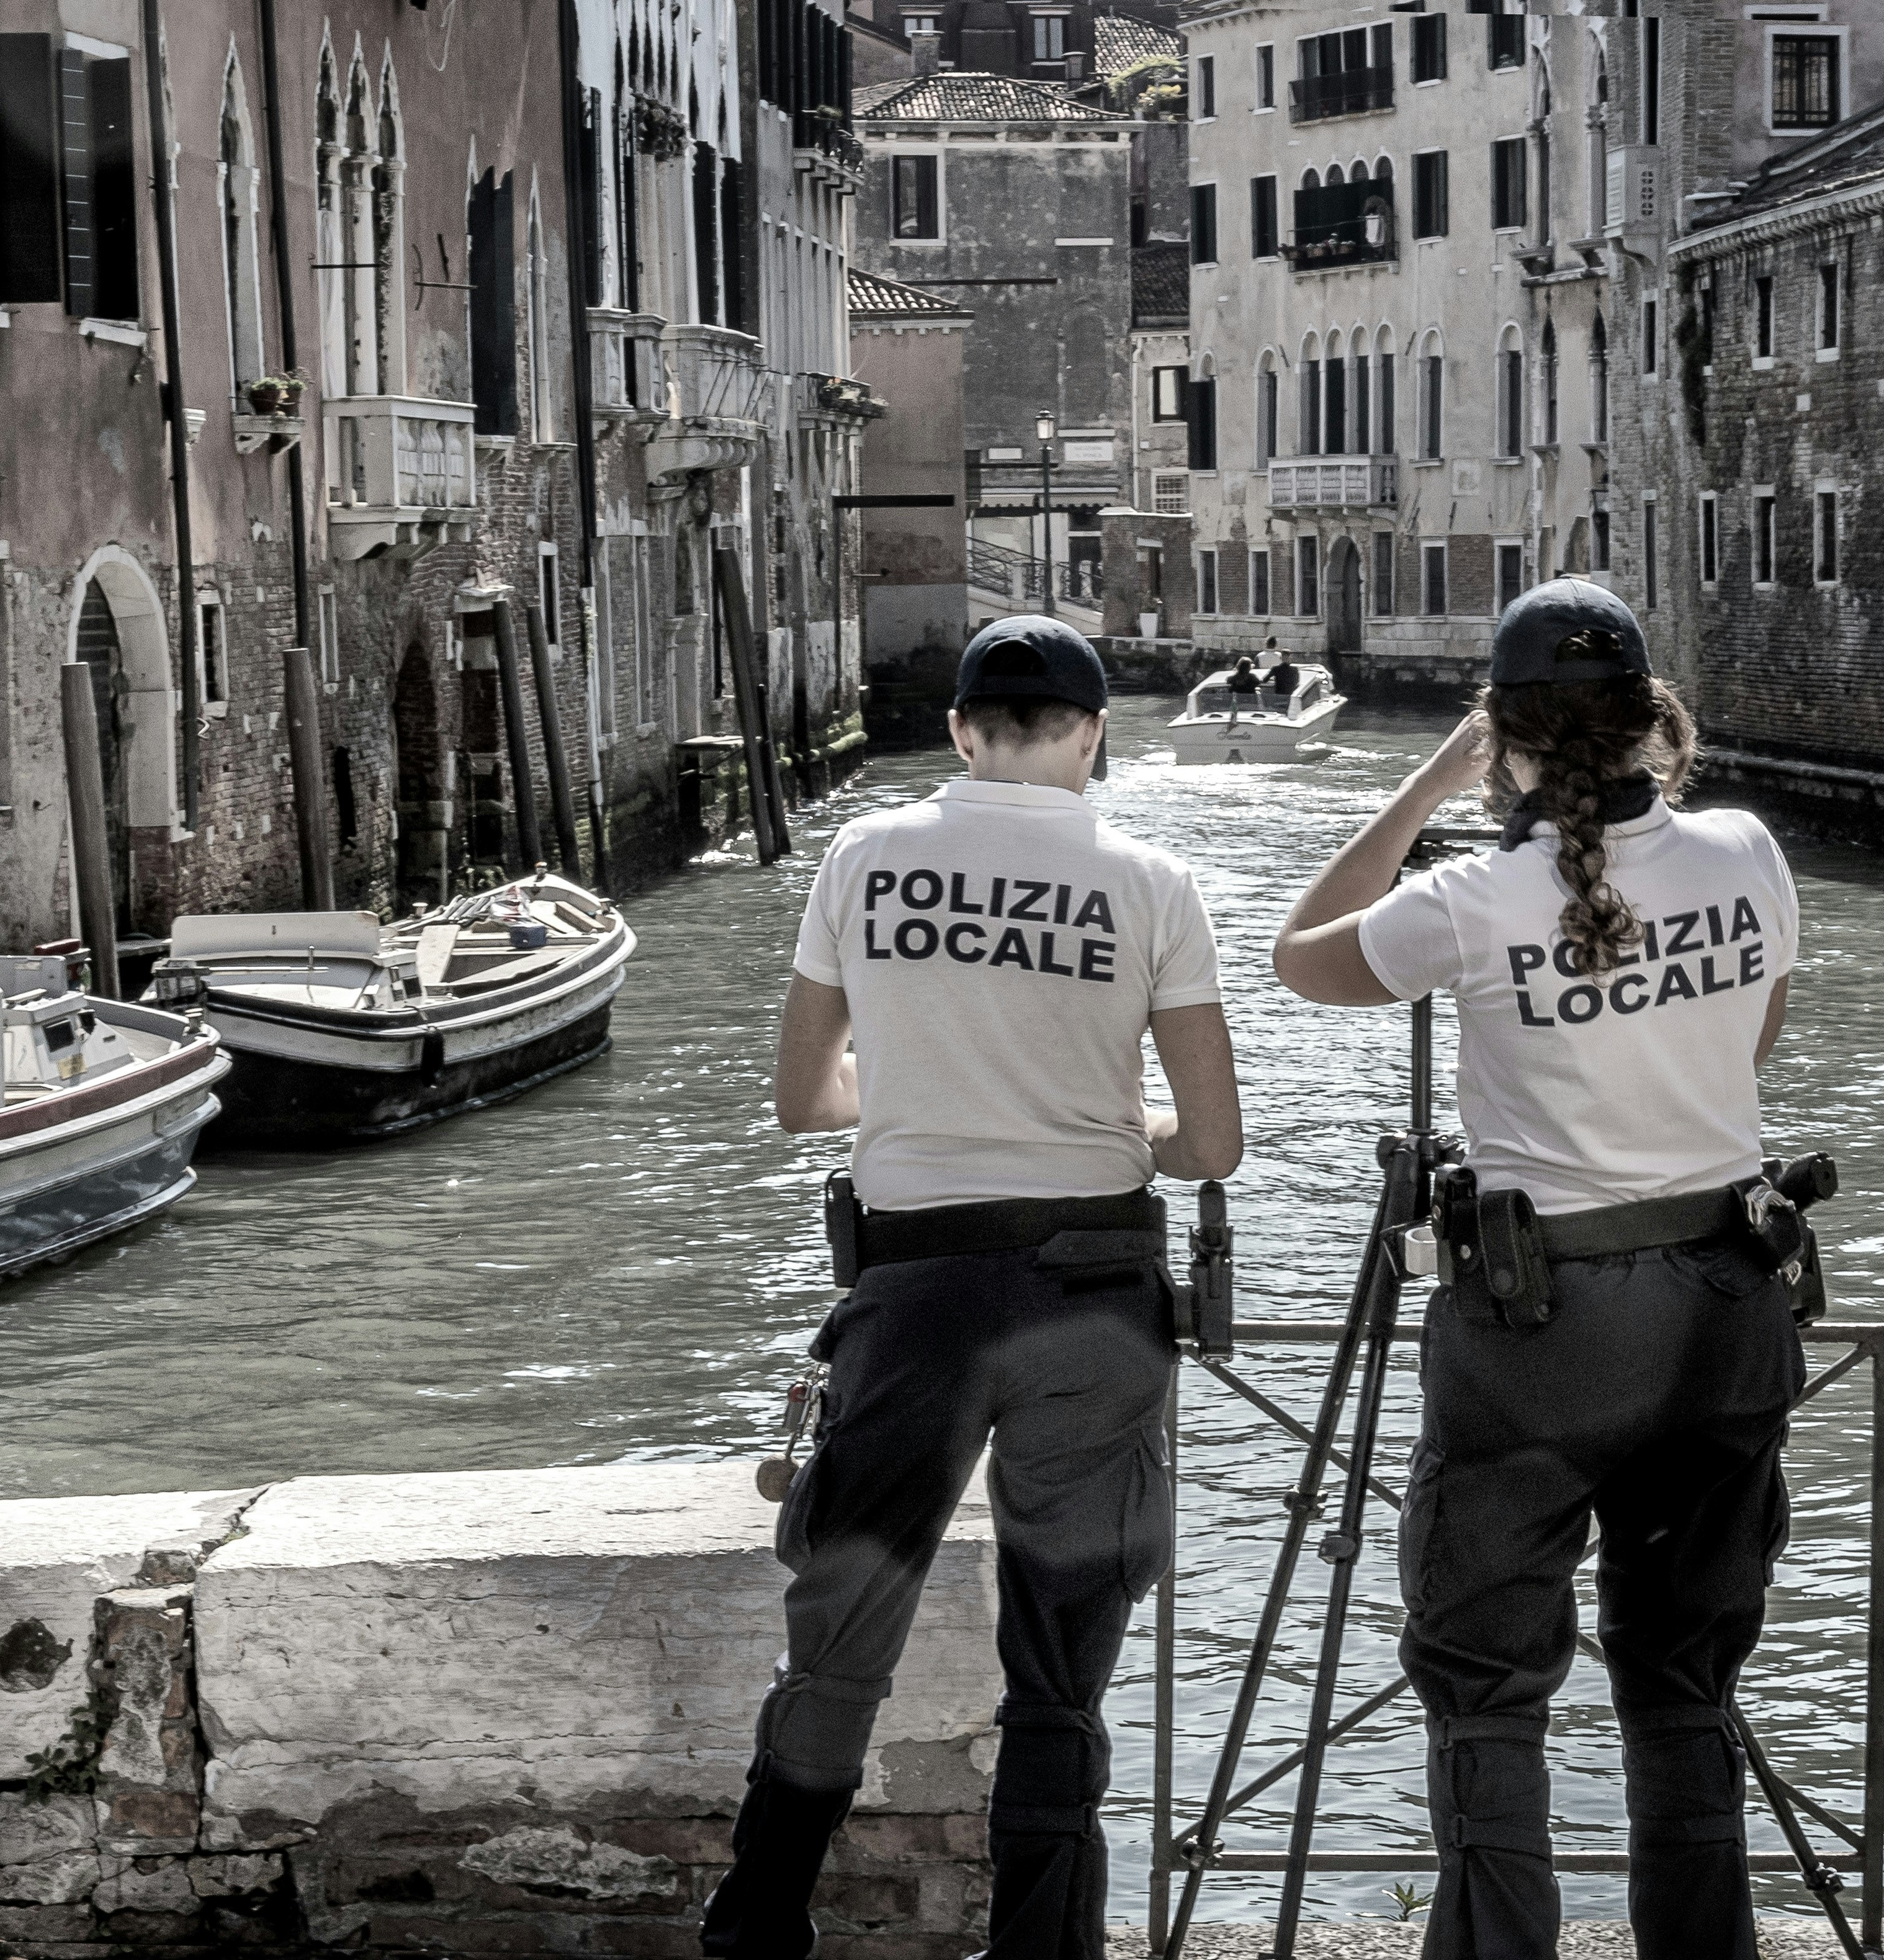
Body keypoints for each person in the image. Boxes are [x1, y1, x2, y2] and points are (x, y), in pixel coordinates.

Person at [1268, 577, 1804, 1960]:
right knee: (1682, 1678)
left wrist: (1425, 780)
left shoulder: (1469, 897)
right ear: (1655, 725)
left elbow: (1297, 955)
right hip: (1725, 1302)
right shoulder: (1747, 853)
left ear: (1503, 735)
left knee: (1489, 1681)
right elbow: (1747, 1049)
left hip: (1541, 1327)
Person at [702, 616, 1244, 1960]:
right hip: (1094, 1296)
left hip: (919, 1295)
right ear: (1091, 731)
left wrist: (920, 1099)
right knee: (1059, 1665)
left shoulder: (865, 856)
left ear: (957, 730)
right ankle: (1044, 1948)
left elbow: (799, 1099)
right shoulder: (1153, 879)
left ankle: (759, 1926)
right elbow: (1212, 1142)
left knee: (840, 1637)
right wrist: (1117, 1136)